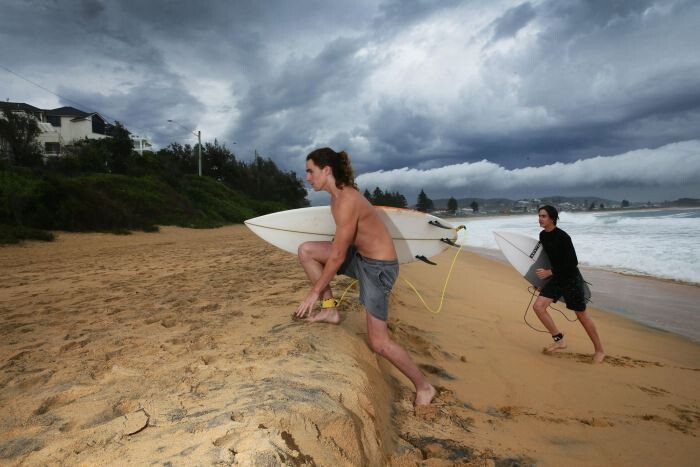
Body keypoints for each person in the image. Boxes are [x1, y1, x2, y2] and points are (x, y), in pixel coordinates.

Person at [295, 147, 437, 406]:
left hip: (379, 269)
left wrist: (314, 292)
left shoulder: (347, 200)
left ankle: (424, 386)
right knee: (307, 251)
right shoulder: (336, 199)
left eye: (310, 171)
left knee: (379, 343)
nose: (307, 177)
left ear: (326, 170)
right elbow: (342, 245)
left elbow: (337, 257)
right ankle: (330, 310)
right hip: (361, 258)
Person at [533, 205, 606, 364]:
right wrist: (541, 282)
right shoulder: (543, 236)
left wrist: (550, 273)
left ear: (552, 218)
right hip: (556, 278)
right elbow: (548, 260)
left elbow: (573, 262)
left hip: (571, 278)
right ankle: (559, 340)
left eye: (543, 216)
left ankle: (600, 350)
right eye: (539, 216)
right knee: (538, 307)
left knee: (581, 315)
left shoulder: (563, 237)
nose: (540, 219)